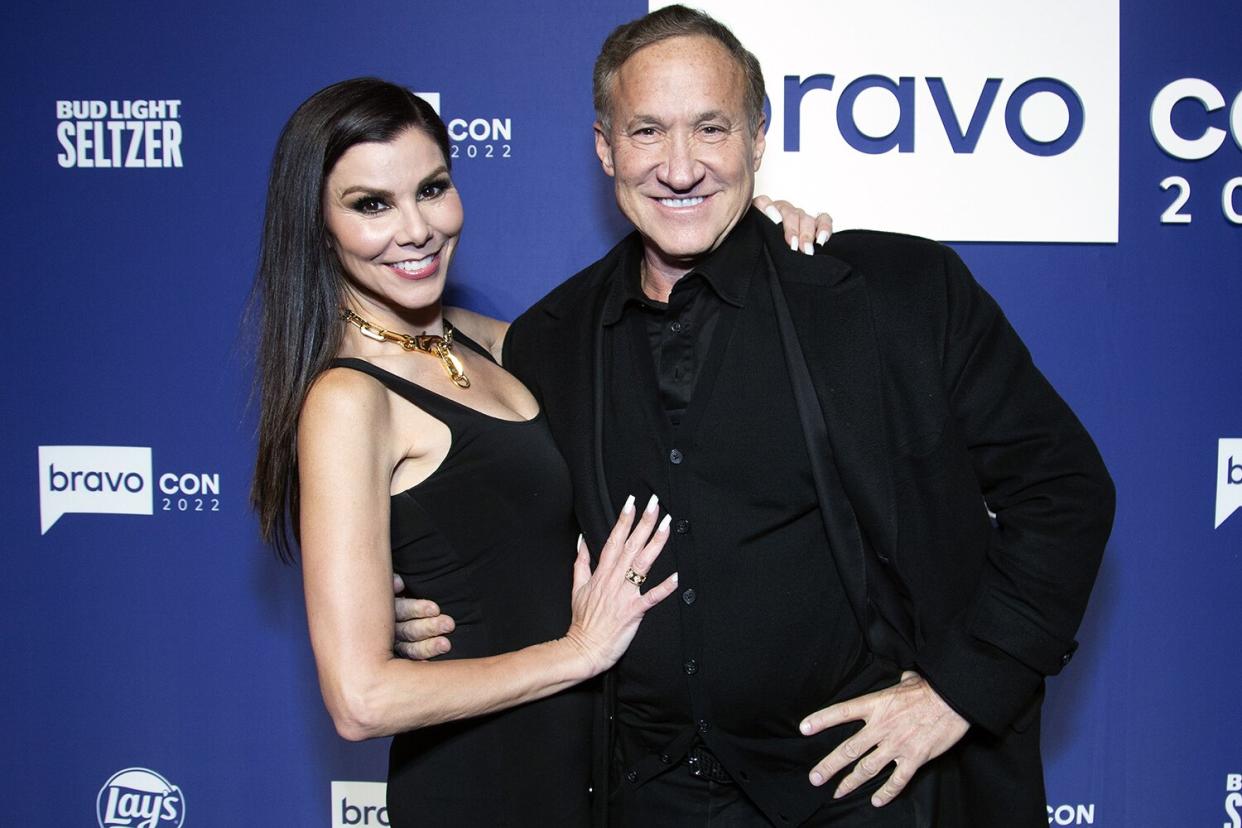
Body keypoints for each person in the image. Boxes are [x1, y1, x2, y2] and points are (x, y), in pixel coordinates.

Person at [401, 6, 1115, 827]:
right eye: (646, 132)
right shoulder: (548, 343)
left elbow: (1063, 490)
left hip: (864, 796)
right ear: (605, 147)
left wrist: (964, 685)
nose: (679, 167)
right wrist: (411, 607)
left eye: (711, 128)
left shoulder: (897, 294)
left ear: (757, 137)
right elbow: (506, 533)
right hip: (639, 797)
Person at [249, 77, 831, 827]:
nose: (417, 228)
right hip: (482, 784)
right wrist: (579, 652)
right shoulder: (346, 401)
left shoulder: (482, 338)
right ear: (316, 225)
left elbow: (636, 320)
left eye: (432, 188)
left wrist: (742, 227)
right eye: (371, 205)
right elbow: (362, 701)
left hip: (584, 765)